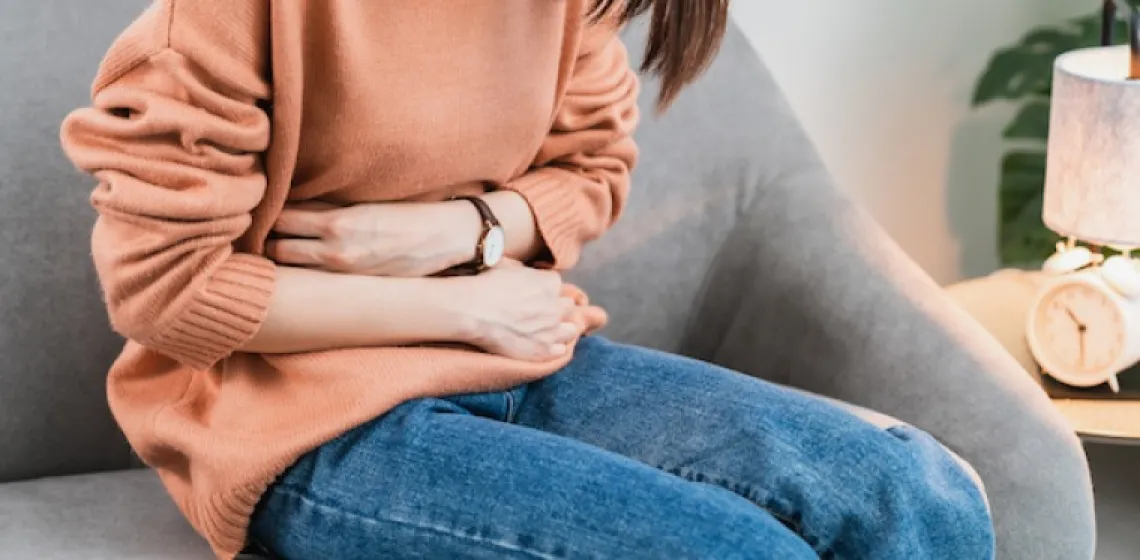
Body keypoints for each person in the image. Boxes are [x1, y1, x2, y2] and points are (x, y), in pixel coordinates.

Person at [60, 1, 994, 558]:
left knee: (914, 491)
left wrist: (455, 230)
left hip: (514, 354)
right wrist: (456, 301)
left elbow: (592, 170)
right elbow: (168, 290)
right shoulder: (231, 16)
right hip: (296, 422)